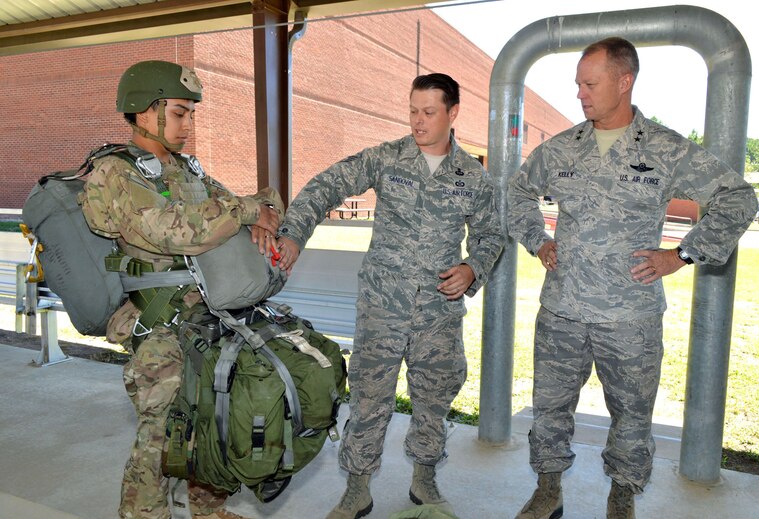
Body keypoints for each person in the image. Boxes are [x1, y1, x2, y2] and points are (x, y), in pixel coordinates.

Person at [507, 37, 757, 519]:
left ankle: (622, 494)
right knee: (551, 407)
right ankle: (548, 489)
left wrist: (681, 255)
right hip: (563, 310)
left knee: (632, 415)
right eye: (577, 83)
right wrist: (538, 240)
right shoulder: (561, 149)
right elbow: (518, 194)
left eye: (589, 83)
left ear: (624, 82)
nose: (579, 93)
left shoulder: (665, 148)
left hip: (630, 316)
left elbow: (737, 198)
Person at [275, 73, 504, 519]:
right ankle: (357, 489)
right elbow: (326, 184)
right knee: (368, 396)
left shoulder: (473, 176)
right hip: (383, 307)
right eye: (413, 111)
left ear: (452, 113)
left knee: (433, 398)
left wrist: (472, 267)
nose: (418, 122)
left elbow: (492, 234)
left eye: (429, 112)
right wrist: (294, 234)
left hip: (438, 311)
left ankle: (424, 478)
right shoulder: (386, 158)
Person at [81, 60, 283, 519]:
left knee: (213, 420)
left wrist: (260, 213)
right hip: (155, 321)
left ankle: (208, 510)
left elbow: (250, 205)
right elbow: (177, 231)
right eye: (178, 112)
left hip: (204, 314)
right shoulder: (116, 172)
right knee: (162, 433)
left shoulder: (187, 169)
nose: (188, 123)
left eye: (190, 113)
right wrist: (249, 213)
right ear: (144, 111)